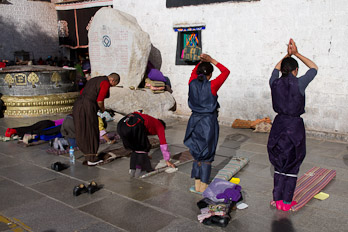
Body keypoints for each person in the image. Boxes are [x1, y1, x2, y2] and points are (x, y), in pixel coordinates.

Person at [267, 39, 318, 211]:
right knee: (292, 162)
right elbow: (314, 68)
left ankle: (278, 199)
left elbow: (275, 69)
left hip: (278, 124)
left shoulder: (274, 82)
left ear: (282, 70)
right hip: (294, 126)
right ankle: (286, 202)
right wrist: (296, 53)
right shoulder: (300, 83)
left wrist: (287, 55)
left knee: (279, 162)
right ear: (296, 71)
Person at [184, 54, 230, 193]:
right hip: (208, 122)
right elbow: (226, 72)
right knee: (207, 154)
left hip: (194, 121)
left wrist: (200, 62)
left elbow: (194, 73)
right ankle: (203, 186)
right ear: (210, 74)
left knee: (197, 152)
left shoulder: (191, 82)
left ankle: (196, 184)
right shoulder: (212, 85)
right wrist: (212, 60)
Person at [73, 73, 120, 166]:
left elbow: (82, 92)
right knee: (91, 130)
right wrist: (102, 109)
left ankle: (87, 154)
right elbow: (100, 100)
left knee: (82, 129)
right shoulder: (105, 82)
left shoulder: (94, 80)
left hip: (78, 105)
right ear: (113, 80)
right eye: (113, 85)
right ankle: (92, 158)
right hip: (88, 106)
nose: (110, 86)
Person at [117, 112, 176, 177]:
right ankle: (141, 171)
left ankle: (132, 169)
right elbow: (163, 143)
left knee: (135, 147)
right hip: (134, 126)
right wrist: (167, 160)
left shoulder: (149, 120)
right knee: (143, 147)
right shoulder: (160, 125)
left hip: (121, 125)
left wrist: (146, 155)